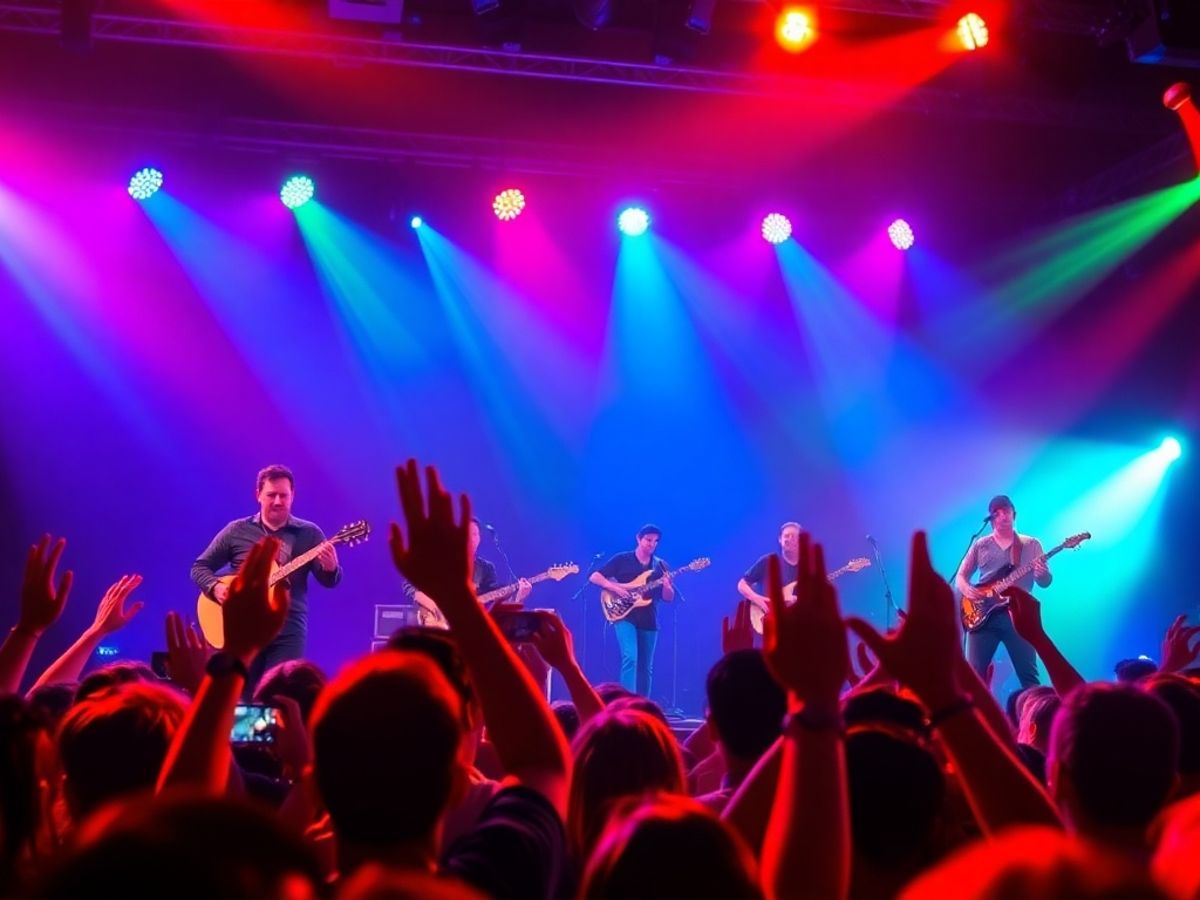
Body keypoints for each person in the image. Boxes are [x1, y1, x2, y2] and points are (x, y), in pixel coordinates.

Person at [190, 464, 341, 693]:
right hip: (243, 628)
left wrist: (331, 568)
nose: (278, 501)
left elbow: (329, 581)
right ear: (258, 494)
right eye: (272, 495)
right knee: (241, 694)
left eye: (284, 495)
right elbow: (199, 567)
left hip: (289, 628)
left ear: (293, 496)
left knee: (282, 693)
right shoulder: (236, 530)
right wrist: (217, 587)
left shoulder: (310, 533)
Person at [955, 495, 1051, 689]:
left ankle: (1036, 716)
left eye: (1006, 511)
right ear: (991, 519)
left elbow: (1045, 582)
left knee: (1029, 676)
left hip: (1018, 616)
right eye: (997, 513)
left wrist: (1042, 575)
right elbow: (961, 576)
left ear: (1014, 515)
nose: (1003, 516)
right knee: (974, 678)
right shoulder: (980, 544)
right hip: (982, 616)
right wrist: (968, 590)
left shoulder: (1031, 544)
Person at [590, 525, 674, 697]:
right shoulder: (622, 559)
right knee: (630, 658)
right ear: (638, 538)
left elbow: (668, 598)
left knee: (645, 666)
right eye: (648, 540)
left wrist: (667, 586)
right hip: (623, 615)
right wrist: (613, 586)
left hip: (649, 618)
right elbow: (594, 576)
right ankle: (627, 703)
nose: (652, 544)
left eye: (655, 541)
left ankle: (642, 705)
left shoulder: (661, 565)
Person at [404, 517, 531, 627]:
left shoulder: (486, 568)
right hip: (434, 621)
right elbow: (409, 585)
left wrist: (519, 597)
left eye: (475, 534)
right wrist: (433, 606)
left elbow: (494, 603)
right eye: (467, 533)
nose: (472, 538)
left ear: (480, 539)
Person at [736, 522, 802, 621]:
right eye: (786, 536)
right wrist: (761, 601)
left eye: (794, 536)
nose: (789, 539)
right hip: (766, 620)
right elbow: (742, 585)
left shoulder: (807, 568)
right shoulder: (769, 561)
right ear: (780, 539)